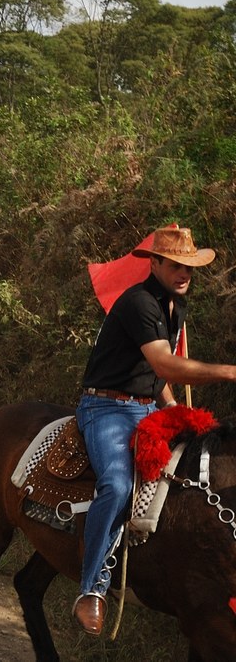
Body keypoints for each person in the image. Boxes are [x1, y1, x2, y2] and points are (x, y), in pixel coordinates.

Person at [71, 227, 236, 635]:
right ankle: (91, 588)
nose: (185, 274)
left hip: (146, 408)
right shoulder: (139, 303)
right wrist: (229, 372)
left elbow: (152, 372)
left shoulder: (173, 306)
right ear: (155, 263)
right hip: (105, 407)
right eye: (177, 265)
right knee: (116, 484)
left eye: (190, 267)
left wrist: (175, 409)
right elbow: (165, 365)